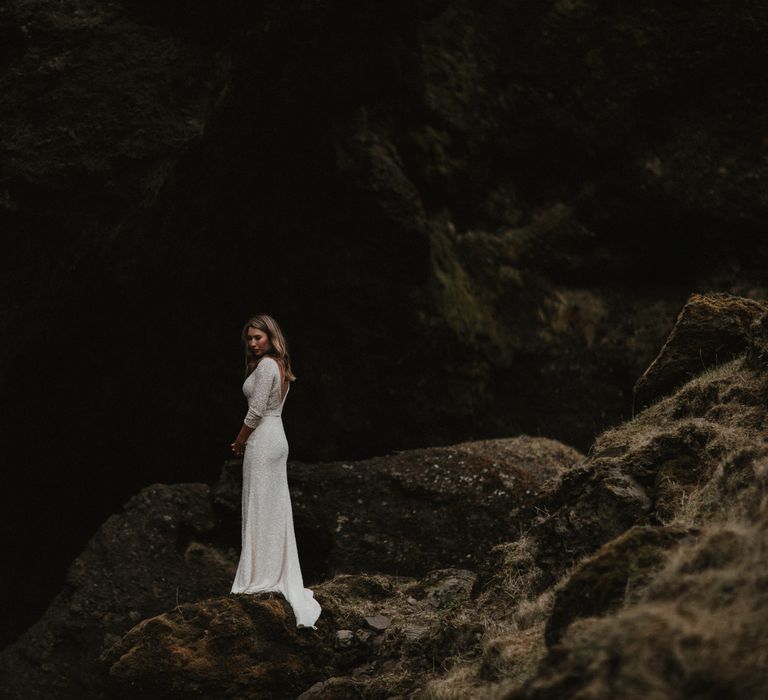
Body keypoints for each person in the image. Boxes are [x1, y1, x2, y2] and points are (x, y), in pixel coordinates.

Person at [229, 313, 321, 629]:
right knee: (272, 506)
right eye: (250, 339)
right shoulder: (279, 365)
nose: (254, 343)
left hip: (264, 437)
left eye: (259, 337)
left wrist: (240, 441)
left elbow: (255, 411)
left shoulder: (268, 365)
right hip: (276, 434)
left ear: (271, 336)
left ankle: (261, 575)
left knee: (259, 504)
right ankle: (269, 570)